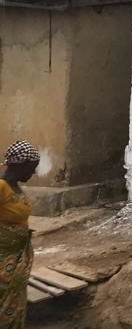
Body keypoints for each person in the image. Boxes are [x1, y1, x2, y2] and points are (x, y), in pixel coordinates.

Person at [0, 140, 40, 329]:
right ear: (21, 165)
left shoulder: (17, 188)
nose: (33, 173)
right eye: (32, 168)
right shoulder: (1, 187)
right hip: (3, 259)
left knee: (14, 302)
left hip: (16, 259)